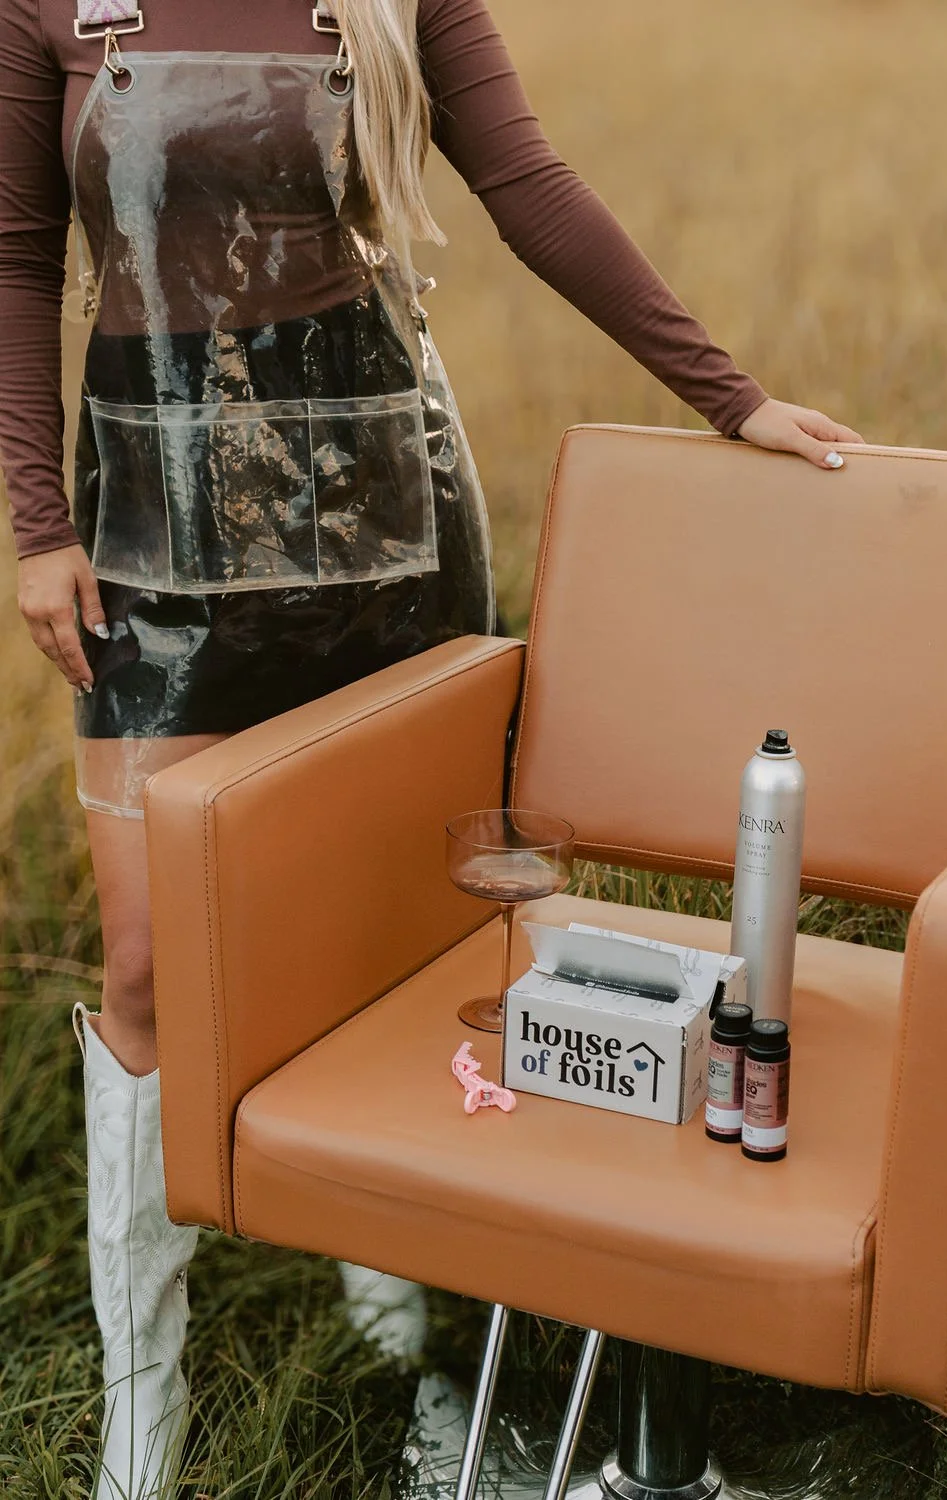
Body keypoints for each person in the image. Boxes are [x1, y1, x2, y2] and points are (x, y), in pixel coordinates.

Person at [0, 0, 864, 1493]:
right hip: (152, 522)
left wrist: (731, 397)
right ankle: (144, 1420)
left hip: (382, 516)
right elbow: (16, 248)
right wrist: (34, 524)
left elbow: (526, 187)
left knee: (374, 938)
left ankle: (391, 1313)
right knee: (145, 965)